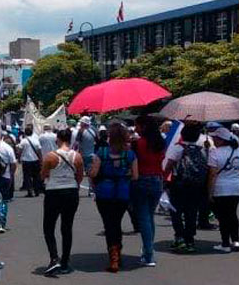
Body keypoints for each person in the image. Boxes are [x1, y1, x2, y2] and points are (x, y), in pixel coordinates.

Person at [88, 122, 138, 273]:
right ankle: (118, 252)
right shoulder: (130, 154)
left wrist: (91, 171)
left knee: (109, 224)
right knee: (117, 222)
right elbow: (135, 176)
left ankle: (114, 255)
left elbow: (94, 174)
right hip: (122, 192)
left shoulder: (101, 153)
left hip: (104, 192)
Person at [40, 128, 84, 275]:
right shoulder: (77, 156)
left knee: (49, 226)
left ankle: (54, 258)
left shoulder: (50, 157)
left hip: (54, 192)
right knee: (67, 227)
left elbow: (43, 175)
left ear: (58, 139)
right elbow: (79, 176)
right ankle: (65, 261)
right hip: (71, 191)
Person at [164, 121, 208, 253]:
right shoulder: (202, 149)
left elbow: (169, 166)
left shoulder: (179, 148)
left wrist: (164, 180)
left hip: (179, 183)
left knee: (176, 211)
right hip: (196, 184)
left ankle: (179, 236)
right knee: (191, 212)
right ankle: (190, 240)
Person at [206, 123, 239, 253]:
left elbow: (212, 174)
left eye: (215, 138)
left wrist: (209, 192)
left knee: (223, 217)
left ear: (221, 139)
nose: (213, 140)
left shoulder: (215, 153)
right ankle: (236, 240)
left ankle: (225, 243)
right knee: (232, 214)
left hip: (221, 187)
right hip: (236, 186)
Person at [132, 115, 166, 266]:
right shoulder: (160, 143)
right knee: (149, 216)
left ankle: (149, 253)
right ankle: (148, 249)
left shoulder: (138, 143)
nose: (135, 128)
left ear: (143, 127)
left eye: (137, 126)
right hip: (158, 180)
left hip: (142, 180)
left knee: (144, 217)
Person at [0, 133, 18, 233]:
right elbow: (13, 163)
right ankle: (1, 223)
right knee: (3, 200)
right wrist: (11, 175)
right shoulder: (7, 148)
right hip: (5, 176)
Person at [74, 116, 98, 196]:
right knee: (90, 174)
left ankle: (76, 188)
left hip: (82, 155)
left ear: (84, 123)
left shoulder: (81, 131)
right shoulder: (94, 130)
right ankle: (91, 191)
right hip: (92, 155)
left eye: (81, 122)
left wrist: (74, 151)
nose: (80, 124)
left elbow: (76, 144)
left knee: (78, 173)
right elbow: (97, 141)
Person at [19, 126, 43, 197]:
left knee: (27, 177)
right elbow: (39, 151)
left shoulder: (23, 141)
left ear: (25, 133)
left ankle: (30, 191)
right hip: (35, 160)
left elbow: (20, 151)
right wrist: (41, 160)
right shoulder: (36, 140)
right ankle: (36, 191)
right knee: (36, 176)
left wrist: (19, 158)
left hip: (26, 160)